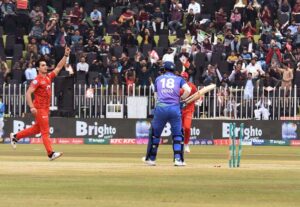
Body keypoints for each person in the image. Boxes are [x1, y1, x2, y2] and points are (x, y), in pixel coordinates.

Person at [9, 47, 71, 161]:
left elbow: (58, 67)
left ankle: (15, 136)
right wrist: (31, 107)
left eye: (45, 65)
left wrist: (65, 55)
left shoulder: (48, 77)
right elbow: (28, 93)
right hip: (39, 108)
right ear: (38, 68)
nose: (45, 66)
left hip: (45, 109)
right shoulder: (37, 80)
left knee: (37, 129)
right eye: (42, 65)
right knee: (45, 131)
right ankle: (50, 154)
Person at [143, 61, 191, 166]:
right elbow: (188, 89)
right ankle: (178, 159)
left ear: (164, 69)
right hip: (175, 108)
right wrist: (181, 99)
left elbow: (156, 97)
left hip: (161, 108)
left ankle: (151, 159)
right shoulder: (179, 79)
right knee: (177, 135)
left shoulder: (158, 79)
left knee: (155, 135)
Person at [180, 72, 197, 153]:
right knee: (179, 129)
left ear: (187, 78)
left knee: (187, 127)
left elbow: (197, 95)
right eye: (182, 77)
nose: (183, 79)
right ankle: (179, 144)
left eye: (185, 78)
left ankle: (186, 144)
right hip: (178, 110)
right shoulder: (177, 85)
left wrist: (197, 100)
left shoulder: (192, 86)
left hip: (189, 110)